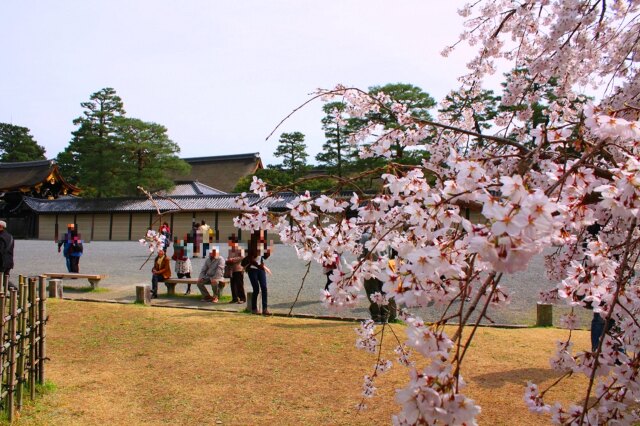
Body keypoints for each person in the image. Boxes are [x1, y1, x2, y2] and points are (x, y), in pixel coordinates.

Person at [360, 229, 397, 323]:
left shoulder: (365, 237)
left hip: (370, 269)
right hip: (384, 269)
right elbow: (390, 253)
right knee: (384, 292)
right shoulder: (386, 235)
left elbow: (361, 254)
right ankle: (384, 316)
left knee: (372, 292)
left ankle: (376, 316)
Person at [246, 231, 272, 315]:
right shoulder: (251, 245)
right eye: (260, 235)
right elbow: (252, 261)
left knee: (264, 288)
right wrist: (263, 267)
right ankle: (254, 308)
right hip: (252, 270)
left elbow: (264, 257)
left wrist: (269, 251)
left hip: (260, 270)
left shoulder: (262, 244)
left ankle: (265, 309)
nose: (262, 237)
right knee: (256, 289)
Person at [226, 236, 246, 304]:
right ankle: (234, 298)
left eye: (229, 241)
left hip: (239, 269)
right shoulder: (230, 250)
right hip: (232, 269)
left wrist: (233, 260)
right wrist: (228, 260)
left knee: (239, 284)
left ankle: (242, 298)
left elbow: (242, 257)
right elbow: (228, 257)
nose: (228, 242)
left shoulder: (240, 249)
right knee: (233, 284)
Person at [0, 220, 15, 289]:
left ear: (1, 227)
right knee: (4, 279)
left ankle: (16, 291)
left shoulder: (1, 237)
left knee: (3, 280)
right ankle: (15, 291)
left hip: (2, 262)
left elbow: (1, 250)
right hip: (9, 261)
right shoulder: (10, 236)